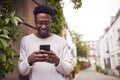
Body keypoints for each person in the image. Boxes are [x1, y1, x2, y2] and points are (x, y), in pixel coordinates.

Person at [18, 5, 73, 80]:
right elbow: (22, 71)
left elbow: (68, 70)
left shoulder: (61, 41)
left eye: (47, 23)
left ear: (51, 23)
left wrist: (57, 61)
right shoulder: (26, 41)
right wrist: (29, 60)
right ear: (35, 22)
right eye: (40, 23)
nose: (43, 26)